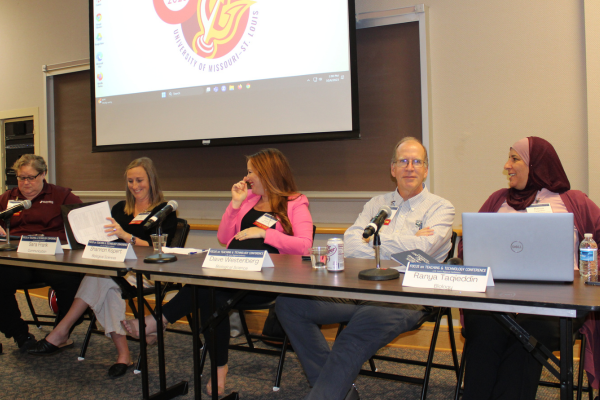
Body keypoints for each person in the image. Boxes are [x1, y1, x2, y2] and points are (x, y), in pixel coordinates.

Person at [121, 148, 313, 394]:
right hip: (231, 271)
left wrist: (266, 233)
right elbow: (224, 237)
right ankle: (218, 369)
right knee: (212, 296)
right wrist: (235, 205)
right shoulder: (249, 200)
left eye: (251, 171)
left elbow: (305, 246)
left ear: (268, 173)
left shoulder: (296, 202)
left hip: (266, 281)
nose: (247, 177)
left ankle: (157, 322)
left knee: (208, 292)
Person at [276, 137, 455, 400]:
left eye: (417, 162)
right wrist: (410, 241)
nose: (410, 167)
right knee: (289, 304)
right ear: (392, 169)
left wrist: (376, 243)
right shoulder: (376, 204)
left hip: (408, 296)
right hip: (360, 287)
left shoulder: (441, 207)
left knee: (356, 332)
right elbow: (350, 242)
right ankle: (340, 391)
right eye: (403, 161)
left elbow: (424, 251)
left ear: (426, 169)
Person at [458, 136, 600, 400]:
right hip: (496, 299)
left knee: (530, 334)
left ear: (537, 164)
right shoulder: (497, 200)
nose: (507, 165)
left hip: (555, 303)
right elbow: (469, 245)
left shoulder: (574, 201)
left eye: (514, 158)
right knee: (485, 328)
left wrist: (589, 267)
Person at [28, 157, 177, 378]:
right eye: (130, 181)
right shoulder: (120, 209)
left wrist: (125, 235)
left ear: (151, 180)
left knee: (101, 277)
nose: (135, 186)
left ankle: (62, 331)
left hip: (147, 272)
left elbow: (160, 247)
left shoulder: (164, 211)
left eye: (139, 180)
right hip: (117, 268)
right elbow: (107, 239)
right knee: (106, 282)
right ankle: (123, 355)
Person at [0, 154, 83, 352]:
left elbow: (82, 222)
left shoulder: (61, 196)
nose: (25, 183)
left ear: (43, 174)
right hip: (18, 259)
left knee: (72, 280)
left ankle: (60, 333)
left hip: (52, 258)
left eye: (31, 177)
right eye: (21, 178)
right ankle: (20, 334)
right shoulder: (8, 198)